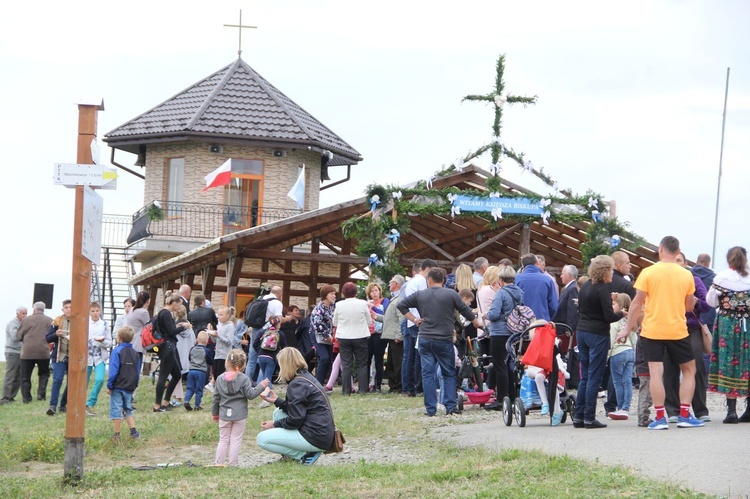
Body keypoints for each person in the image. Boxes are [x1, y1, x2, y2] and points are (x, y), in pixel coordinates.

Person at [616, 236, 704, 430]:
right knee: (689, 370)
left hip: (652, 329)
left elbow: (637, 303)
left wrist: (626, 328)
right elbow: (689, 306)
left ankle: (659, 418)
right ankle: (684, 414)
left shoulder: (648, 272)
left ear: (661, 249)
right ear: (678, 252)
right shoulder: (686, 275)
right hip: (677, 330)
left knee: (656, 373)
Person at [397, 267, 482, 416]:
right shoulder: (451, 294)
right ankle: (450, 407)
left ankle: (430, 409)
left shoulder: (420, 295)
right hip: (444, 339)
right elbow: (465, 310)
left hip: (425, 338)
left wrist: (415, 319)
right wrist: (477, 322)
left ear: (428, 280)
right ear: (443, 280)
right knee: (448, 373)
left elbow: (401, 305)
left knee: (428, 374)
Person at [572, 255, 626, 429]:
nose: (612, 273)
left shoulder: (586, 285)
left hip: (582, 331)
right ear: (605, 271)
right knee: (595, 376)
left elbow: (585, 307)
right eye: (610, 270)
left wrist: (609, 300)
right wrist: (622, 314)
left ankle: (579, 416)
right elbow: (609, 316)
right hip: (597, 334)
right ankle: (589, 417)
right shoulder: (602, 288)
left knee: (585, 377)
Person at [256, 347, 335, 465]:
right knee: (278, 412)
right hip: (323, 432)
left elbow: (296, 419)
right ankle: (292, 455)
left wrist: (274, 424)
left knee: (262, 439)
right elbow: (299, 409)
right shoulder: (305, 377)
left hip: (315, 436)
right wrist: (277, 400)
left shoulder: (296, 384)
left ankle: (302, 455)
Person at [662, 252, 712, 423]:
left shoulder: (694, 279)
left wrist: (696, 300)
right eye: (674, 260)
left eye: (679, 260)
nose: (676, 263)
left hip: (691, 329)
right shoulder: (664, 281)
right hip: (669, 328)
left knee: (696, 365)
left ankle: (700, 410)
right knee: (670, 369)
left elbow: (707, 305)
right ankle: (673, 411)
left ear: (685, 263)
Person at [707, 246, 750, 423]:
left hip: (727, 324)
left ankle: (731, 410)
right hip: (748, 322)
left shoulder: (721, 278)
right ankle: (749, 409)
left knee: (728, 362)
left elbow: (710, 301)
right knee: (747, 362)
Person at [212, 349, 269, 467]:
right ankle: (233, 464)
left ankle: (218, 463)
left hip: (224, 414)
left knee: (223, 439)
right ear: (243, 365)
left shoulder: (220, 378)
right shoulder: (244, 379)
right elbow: (251, 395)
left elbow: (216, 398)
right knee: (235, 440)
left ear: (227, 362)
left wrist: (215, 414)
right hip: (240, 414)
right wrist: (261, 386)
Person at [484, 265, 522, 409]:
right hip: (515, 332)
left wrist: (485, 314)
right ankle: (512, 396)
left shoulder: (501, 293)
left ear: (500, 279)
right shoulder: (519, 292)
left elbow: (493, 314)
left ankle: (501, 399)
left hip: (500, 332)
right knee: (511, 365)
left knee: (500, 365)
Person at [401, 259, 436, 397]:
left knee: (408, 357)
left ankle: (407, 387)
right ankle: (416, 386)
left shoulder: (411, 282)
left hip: (411, 320)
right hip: (418, 321)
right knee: (417, 357)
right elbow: (425, 301)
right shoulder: (422, 282)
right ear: (427, 269)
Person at [333, 282, 373, 395]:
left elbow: (335, 322)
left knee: (346, 364)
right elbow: (369, 321)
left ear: (343, 293)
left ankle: (346, 390)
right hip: (360, 336)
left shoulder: (339, 305)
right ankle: (362, 389)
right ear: (355, 292)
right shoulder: (362, 304)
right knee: (362, 364)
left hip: (344, 336)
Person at [153, 294, 189, 412]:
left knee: (177, 374)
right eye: (179, 304)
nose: (179, 307)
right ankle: (157, 405)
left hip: (167, 346)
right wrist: (184, 327)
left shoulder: (161, 313)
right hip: (167, 347)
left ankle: (166, 401)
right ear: (174, 303)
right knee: (163, 376)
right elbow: (172, 331)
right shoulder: (166, 313)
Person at [247, 286, 289, 383]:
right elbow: (278, 319)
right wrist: (287, 319)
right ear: (280, 294)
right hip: (268, 332)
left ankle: (247, 383)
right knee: (265, 355)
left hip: (255, 329)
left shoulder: (260, 298)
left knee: (252, 358)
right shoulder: (277, 303)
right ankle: (261, 384)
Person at [107, 325, 140, 443]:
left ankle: (116, 434)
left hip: (117, 386)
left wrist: (110, 385)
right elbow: (137, 370)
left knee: (116, 410)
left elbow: (114, 370)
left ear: (119, 338)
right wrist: (135, 384)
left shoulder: (117, 351)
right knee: (128, 409)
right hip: (130, 386)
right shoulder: (135, 353)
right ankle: (133, 431)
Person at [16, 301, 53, 404]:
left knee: (25, 376)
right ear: (43, 309)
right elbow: (52, 336)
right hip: (43, 352)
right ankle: (41, 395)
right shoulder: (49, 320)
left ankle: (26, 398)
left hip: (27, 352)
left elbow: (18, 336)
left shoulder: (26, 320)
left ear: (34, 309)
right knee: (44, 374)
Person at [375, 275, 406, 393]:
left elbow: (402, 318)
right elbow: (390, 318)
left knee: (397, 362)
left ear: (397, 284)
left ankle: (397, 385)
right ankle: (393, 385)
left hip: (395, 337)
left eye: (391, 283)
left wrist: (399, 335)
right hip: (391, 335)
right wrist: (376, 317)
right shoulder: (394, 298)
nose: (389, 285)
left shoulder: (400, 299)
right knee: (391, 362)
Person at [607, 293, 634, 420]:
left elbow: (611, 339)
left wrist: (607, 355)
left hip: (617, 353)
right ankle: (626, 407)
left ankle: (620, 407)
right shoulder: (630, 322)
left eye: (613, 304)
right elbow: (635, 338)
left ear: (620, 306)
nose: (612, 306)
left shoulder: (614, 322)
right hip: (630, 352)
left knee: (617, 382)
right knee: (627, 380)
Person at [553, 265, 580, 388]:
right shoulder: (567, 288)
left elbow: (572, 310)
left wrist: (569, 327)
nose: (561, 276)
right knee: (569, 354)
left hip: (566, 327)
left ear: (569, 275)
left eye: (563, 273)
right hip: (564, 326)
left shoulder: (572, 289)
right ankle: (573, 381)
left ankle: (571, 381)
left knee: (569, 353)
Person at [85, 302, 112, 416]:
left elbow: (110, 343)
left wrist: (102, 342)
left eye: (97, 311)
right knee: (84, 381)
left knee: (100, 379)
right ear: (89, 312)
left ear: (100, 311)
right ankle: (79, 403)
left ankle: (90, 402)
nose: (95, 313)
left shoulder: (105, 325)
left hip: (100, 356)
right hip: (87, 356)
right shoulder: (86, 324)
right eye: (93, 311)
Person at [515, 253, 558, 321]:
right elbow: (554, 306)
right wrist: (547, 318)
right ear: (537, 262)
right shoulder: (547, 280)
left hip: (522, 323)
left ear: (523, 265)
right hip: (542, 322)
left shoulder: (517, 279)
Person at [45, 301, 70, 415]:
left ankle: (63, 404)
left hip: (74, 356)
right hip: (59, 355)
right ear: (62, 310)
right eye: (66, 307)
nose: (69, 309)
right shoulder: (56, 321)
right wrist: (56, 334)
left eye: (71, 307)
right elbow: (47, 338)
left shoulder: (79, 321)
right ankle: (53, 406)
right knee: (57, 379)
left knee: (72, 382)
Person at [253, 316, 287, 393]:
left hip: (261, 357)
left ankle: (265, 393)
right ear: (278, 324)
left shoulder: (263, 332)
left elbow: (255, 344)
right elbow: (284, 346)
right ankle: (267, 397)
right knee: (267, 378)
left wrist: (259, 352)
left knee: (265, 376)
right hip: (272, 358)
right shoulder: (280, 334)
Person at [365, 282, 389, 392]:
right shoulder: (367, 303)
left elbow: (386, 315)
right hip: (369, 334)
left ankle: (378, 384)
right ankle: (365, 384)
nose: (374, 293)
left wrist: (373, 307)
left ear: (379, 291)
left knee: (379, 360)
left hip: (379, 334)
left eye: (376, 290)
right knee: (367, 359)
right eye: (372, 291)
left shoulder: (385, 301)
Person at [1, 306, 27, 404]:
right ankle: (4, 398)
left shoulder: (22, 324)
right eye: (23, 313)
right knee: (10, 375)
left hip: (21, 352)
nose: (25, 315)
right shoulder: (13, 323)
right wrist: (24, 331)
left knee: (18, 376)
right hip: (12, 352)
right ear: (17, 313)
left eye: (26, 313)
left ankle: (11, 396)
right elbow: (15, 337)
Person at [311, 285, 337, 385]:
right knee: (324, 358)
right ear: (325, 295)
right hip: (318, 336)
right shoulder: (319, 309)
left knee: (329, 359)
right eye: (332, 294)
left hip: (329, 337)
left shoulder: (332, 307)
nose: (334, 296)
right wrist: (327, 336)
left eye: (334, 293)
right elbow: (317, 325)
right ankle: (318, 383)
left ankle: (324, 382)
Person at [171, 303, 196, 407]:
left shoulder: (176, 328)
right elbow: (193, 340)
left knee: (175, 376)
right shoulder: (189, 327)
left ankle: (177, 398)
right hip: (187, 355)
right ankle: (175, 397)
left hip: (177, 354)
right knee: (178, 376)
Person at [184, 330, 213, 411]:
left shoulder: (192, 349)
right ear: (207, 341)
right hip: (201, 372)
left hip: (191, 370)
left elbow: (189, 358)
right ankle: (197, 405)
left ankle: (186, 401)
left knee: (190, 388)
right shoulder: (206, 350)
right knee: (199, 389)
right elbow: (210, 361)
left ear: (196, 340)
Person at [211, 306, 237, 381]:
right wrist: (211, 334)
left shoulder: (230, 326)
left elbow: (229, 341)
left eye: (221, 315)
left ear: (227, 315)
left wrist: (218, 335)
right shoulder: (220, 325)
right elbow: (215, 341)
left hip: (224, 355)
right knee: (215, 375)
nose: (219, 317)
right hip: (217, 354)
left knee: (221, 376)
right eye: (218, 314)